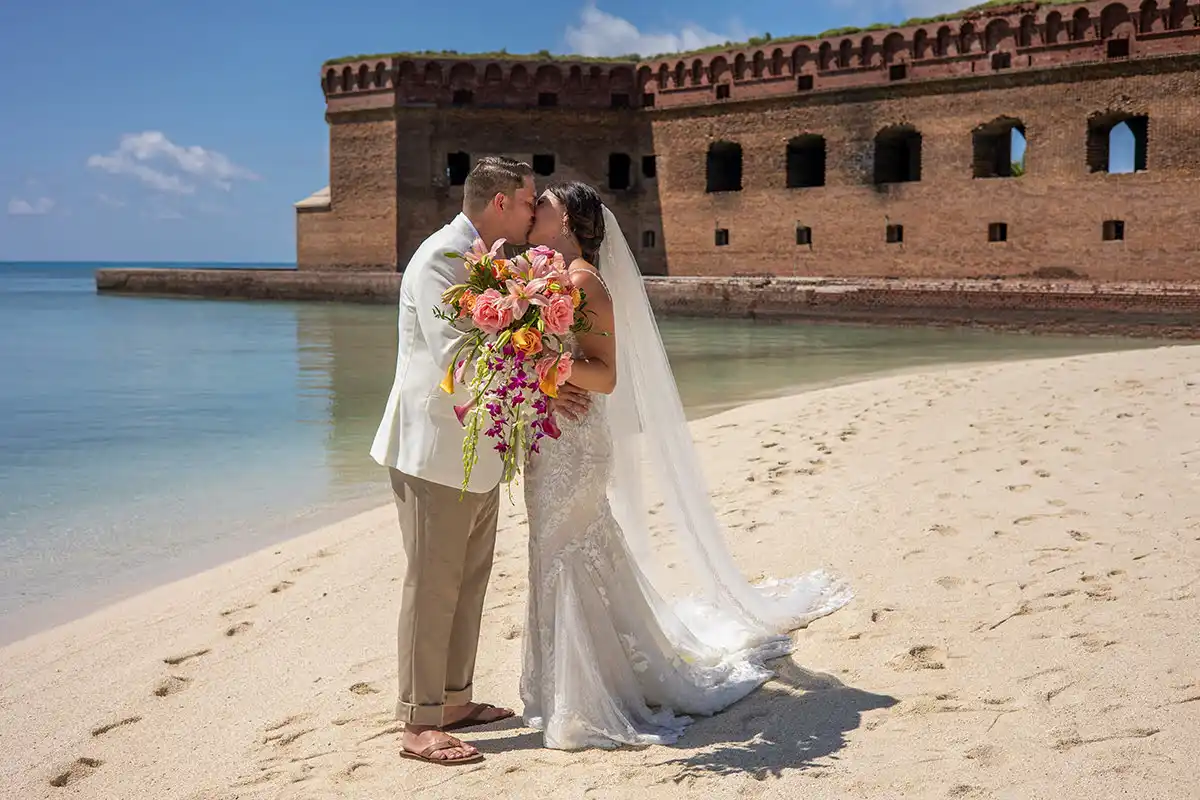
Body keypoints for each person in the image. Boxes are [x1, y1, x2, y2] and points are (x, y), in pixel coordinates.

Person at [517, 181, 854, 751]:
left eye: (543, 204)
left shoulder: (583, 284)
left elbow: (605, 375)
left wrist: (549, 369)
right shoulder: (541, 282)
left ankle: (589, 694)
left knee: (569, 551)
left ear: (568, 222)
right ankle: (561, 686)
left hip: (577, 445)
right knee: (551, 552)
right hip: (549, 441)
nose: (534, 209)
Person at [369, 156, 547, 765]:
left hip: (478, 447)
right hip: (434, 448)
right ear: (501, 202)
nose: (533, 215)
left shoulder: (492, 261)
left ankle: (454, 700)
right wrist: (544, 382)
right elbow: (459, 361)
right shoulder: (445, 259)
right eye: (528, 203)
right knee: (432, 583)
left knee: (468, 580)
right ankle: (418, 724)